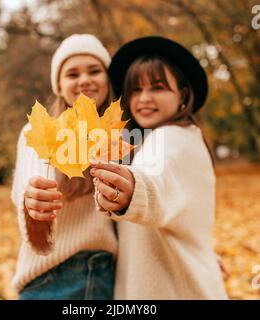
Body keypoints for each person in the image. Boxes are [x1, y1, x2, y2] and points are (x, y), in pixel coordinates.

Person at [90, 36, 228, 299]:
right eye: (135, 90)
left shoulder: (170, 138)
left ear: (183, 95)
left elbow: (157, 181)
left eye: (157, 87)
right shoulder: (164, 139)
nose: (144, 98)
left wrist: (131, 189)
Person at [11, 34, 117, 300]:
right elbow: (27, 188)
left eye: (95, 70)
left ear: (107, 78)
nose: (84, 80)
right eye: (72, 74)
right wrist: (32, 201)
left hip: (104, 276)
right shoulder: (39, 131)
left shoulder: (120, 137)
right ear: (58, 85)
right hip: (49, 277)